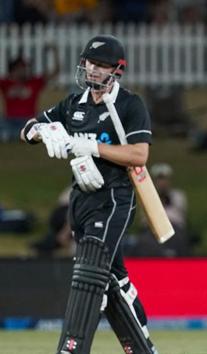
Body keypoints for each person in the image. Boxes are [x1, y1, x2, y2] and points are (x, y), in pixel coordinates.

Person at [20, 34, 158, 354]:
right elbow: (27, 129)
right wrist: (41, 131)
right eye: (90, 63)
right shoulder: (73, 104)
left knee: (91, 276)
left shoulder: (129, 104)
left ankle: (72, 346)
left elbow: (139, 155)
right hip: (80, 200)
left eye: (101, 66)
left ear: (116, 70)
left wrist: (93, 147)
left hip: (113, 200)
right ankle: (143, 345)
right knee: (113, 279)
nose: (93, 70)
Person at [127, 162, 190, 257]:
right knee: (144, 243)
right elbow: (144, 217)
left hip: (175, 228)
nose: (162, 182)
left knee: (181, 240)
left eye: (164, 179)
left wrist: (167, 198)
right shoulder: (147, 194)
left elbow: (181, 213)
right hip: (151, 230)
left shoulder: (178, 195)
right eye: (160, 179)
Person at [0, 45, 59, 141]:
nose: (24, 70)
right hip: (8, 122)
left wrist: (54, 51)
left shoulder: (34, 82)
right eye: (21, 68)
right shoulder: (5, 83)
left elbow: (55, 71)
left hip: (28, 121)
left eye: (25, 68)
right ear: (13, 70)